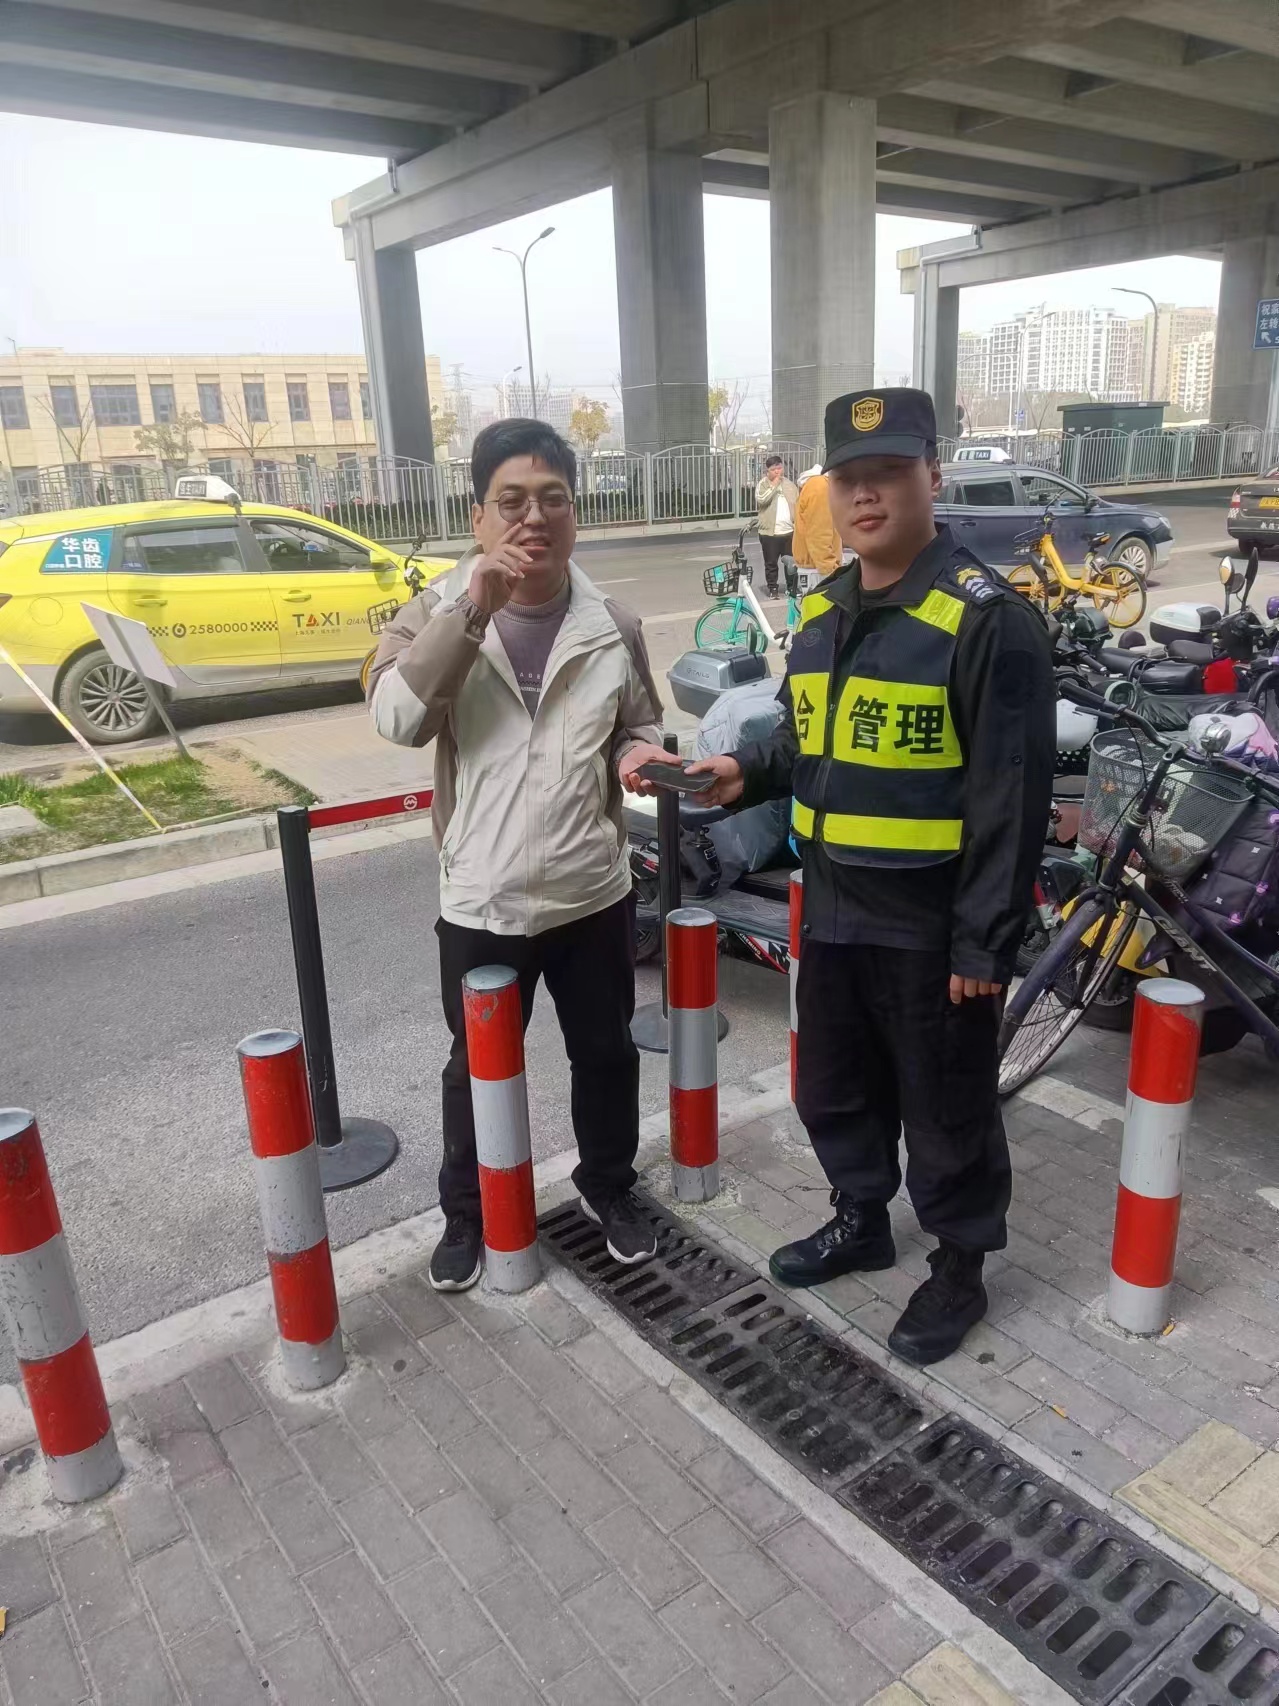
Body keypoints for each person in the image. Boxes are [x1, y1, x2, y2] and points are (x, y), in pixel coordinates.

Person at [689, 389, 1055, 1366]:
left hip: (932, 922)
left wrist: (983, 944)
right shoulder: (821, 611)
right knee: (834, 1085)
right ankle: (860, 1218)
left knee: (946, 1104)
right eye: (848, 478)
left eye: (888, 472)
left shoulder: (986, 621)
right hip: (833, 908)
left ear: (930, 474)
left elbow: (1010, 799)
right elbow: (805, 738)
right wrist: (742, 771)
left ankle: (959, 1266)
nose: (866, 495)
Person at [367, 418, 667, 1289]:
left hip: (590, 892)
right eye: (511, 501)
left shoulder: (612, 624)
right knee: (475, 1070)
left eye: (552, 499)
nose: (533, 517)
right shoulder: (431, 614)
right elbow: (397, 720)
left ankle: (609, 1187)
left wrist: (639, 755)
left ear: (574, 513)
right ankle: (467, 1212)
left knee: (605, 1055)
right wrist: (471, 611)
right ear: (478, 517)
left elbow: (639, 722)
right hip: (481, 899)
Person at [755, 454, 799, 598]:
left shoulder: (789, 485)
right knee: (771, 563)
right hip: (770, 533)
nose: (777, 472)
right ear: (767, 471)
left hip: (789, 531)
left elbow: (797, 503)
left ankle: (792, 587)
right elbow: (761, 500)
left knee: (791, 562)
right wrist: (773, 486)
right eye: (773, 469)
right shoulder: (763, 484)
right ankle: (773, 588)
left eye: (779, 468)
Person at [792, 463, 842, 578]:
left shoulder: (819, 484)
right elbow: (819, 532)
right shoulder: (820, 486)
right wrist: (830, 568)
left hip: (817, 566)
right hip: (818, 569)